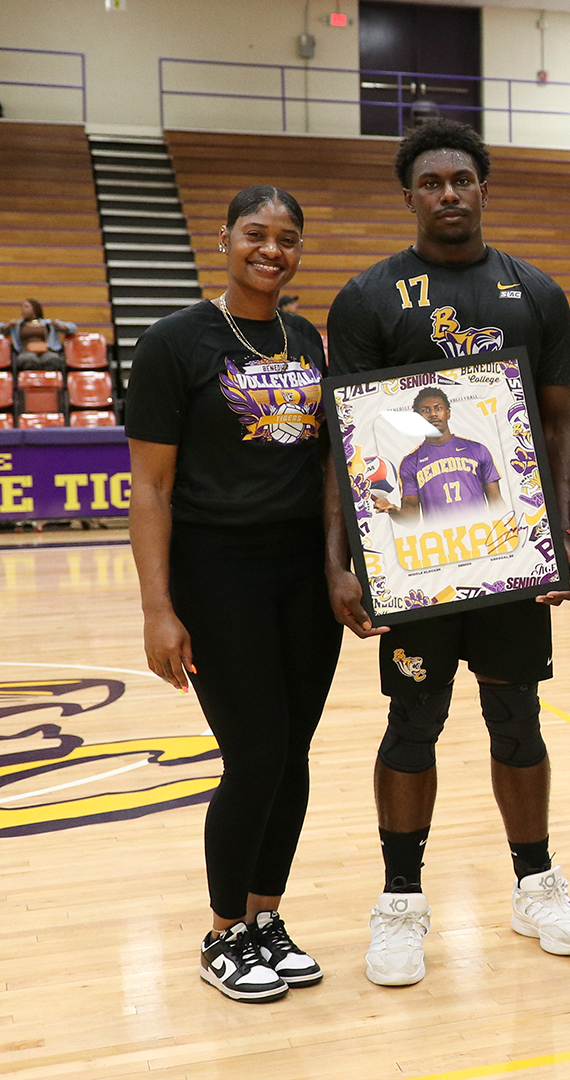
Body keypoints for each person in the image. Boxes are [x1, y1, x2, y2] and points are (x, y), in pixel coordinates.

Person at [323, 118, 570, 988]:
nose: (449, 194)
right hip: (412, 563)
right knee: (413, 721)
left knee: (517, 717)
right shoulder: (367, 298)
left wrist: (562, 535)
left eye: (462, 180)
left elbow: (559, 425)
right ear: (408, 195)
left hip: (508, 555)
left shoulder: (535, 291)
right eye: (432, 182)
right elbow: (346, 442)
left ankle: (535, 885)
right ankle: (401, 900)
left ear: (484, 188)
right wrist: (339, 560)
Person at [124, 186, 339, 1003]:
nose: (271, 249)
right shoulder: (174, 342)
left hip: (302, 572)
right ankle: (222, 934)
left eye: (288, 237)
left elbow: (329, 464)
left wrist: (339, 567)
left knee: (293, 753)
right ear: (224, 240)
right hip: (216, 570)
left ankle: (263, 917)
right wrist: (157, 608)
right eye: (256, 233)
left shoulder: (308, 340)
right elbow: (150, 487)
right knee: (254, 753)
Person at [376, 386, 505, 523]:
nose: (433, 414)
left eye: (438, 408)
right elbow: (412, 519)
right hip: (441, 535)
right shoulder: (410, 463)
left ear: (448, 413)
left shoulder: (477, 450)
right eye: (426, 410)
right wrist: (393, 510)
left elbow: (496, 501)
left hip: (481, 532)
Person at [2, 299, 79, 370]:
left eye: (26, 307)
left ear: (35, 309)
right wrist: (7, 325)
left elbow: (73, 328)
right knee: (29, 359)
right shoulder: (17, 325)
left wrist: (60, 326)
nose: (23, 310)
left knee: (53, 358)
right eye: (22, 308)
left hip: (46, 352)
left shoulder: (48, 324)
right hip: (26, 352)